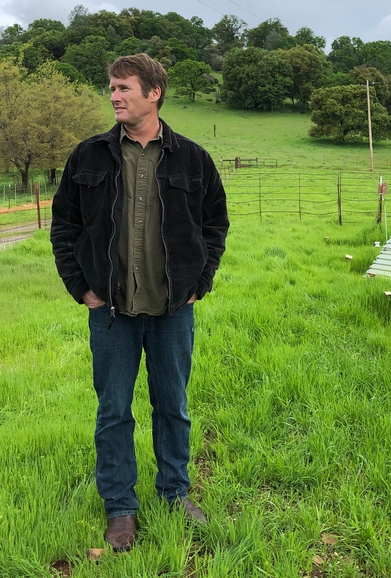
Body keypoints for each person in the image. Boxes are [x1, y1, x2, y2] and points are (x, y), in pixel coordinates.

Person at [50, 53, 229, 552]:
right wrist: (80, 288)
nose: (114, 96)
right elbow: (64, 226)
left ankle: (175, 494)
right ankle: (120, 509)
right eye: (111, 88)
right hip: (110, 314)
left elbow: (215, 225)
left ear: (154, 93)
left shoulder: (193, 159)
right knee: (113, 411)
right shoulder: (88, 156)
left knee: (172, 406)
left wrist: (201, 281)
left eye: (124, 88)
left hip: (173, 310)